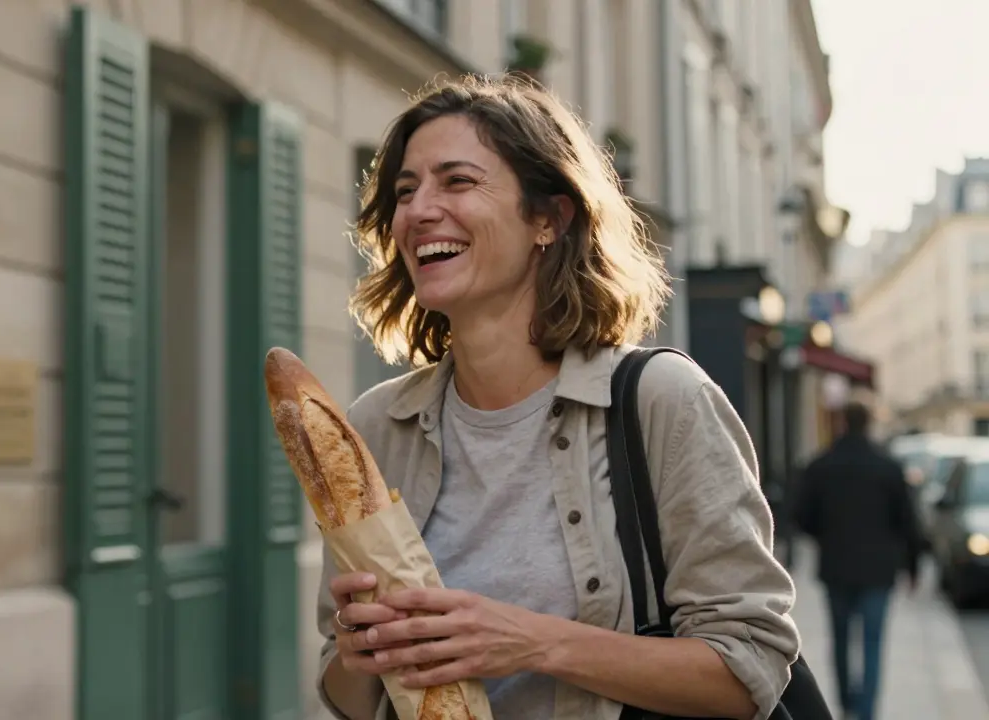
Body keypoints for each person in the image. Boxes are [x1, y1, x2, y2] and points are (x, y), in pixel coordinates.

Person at [314, 74, 800, 720]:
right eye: (406, 191)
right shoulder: (377, 425)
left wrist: (531, 642)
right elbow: (346, 695)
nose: (418, 209)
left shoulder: (661, 402)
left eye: (457, 182)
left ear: (548, 218)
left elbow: (751, 668)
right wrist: (359, 653)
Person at [794, 402, 923, 720]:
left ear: (841, 424)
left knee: (840, 639)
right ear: (867, 425)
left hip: (836, 565)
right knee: (872, 642)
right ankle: (866, 711)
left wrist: (827, 536)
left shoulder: (820, 466)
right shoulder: (888, 467)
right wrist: (913, 566)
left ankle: (846, 703)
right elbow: (907, 521)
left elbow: (802, 517)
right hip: (878, 569)